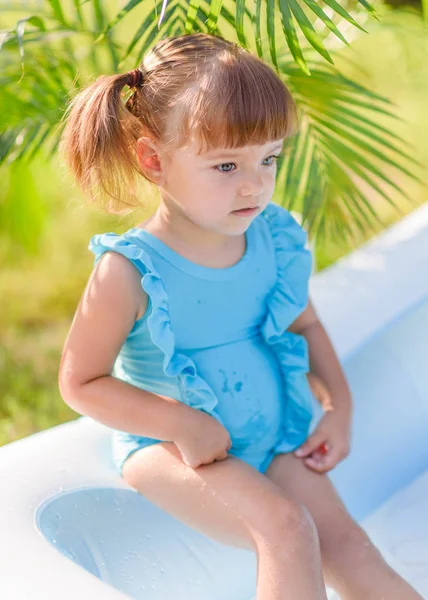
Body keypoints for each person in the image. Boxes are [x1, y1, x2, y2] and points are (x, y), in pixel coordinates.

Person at [57, 32, 423, 600]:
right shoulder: (131, 271)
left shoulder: (271, 238)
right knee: (285, 528)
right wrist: (181, 423)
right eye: (226, 165)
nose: (255, 184)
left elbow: (303, 324)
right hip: (174, 448)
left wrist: (339, 405)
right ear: (154, 161)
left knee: (348, 543)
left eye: (268, 158)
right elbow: (80, 382)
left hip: (273, 435)